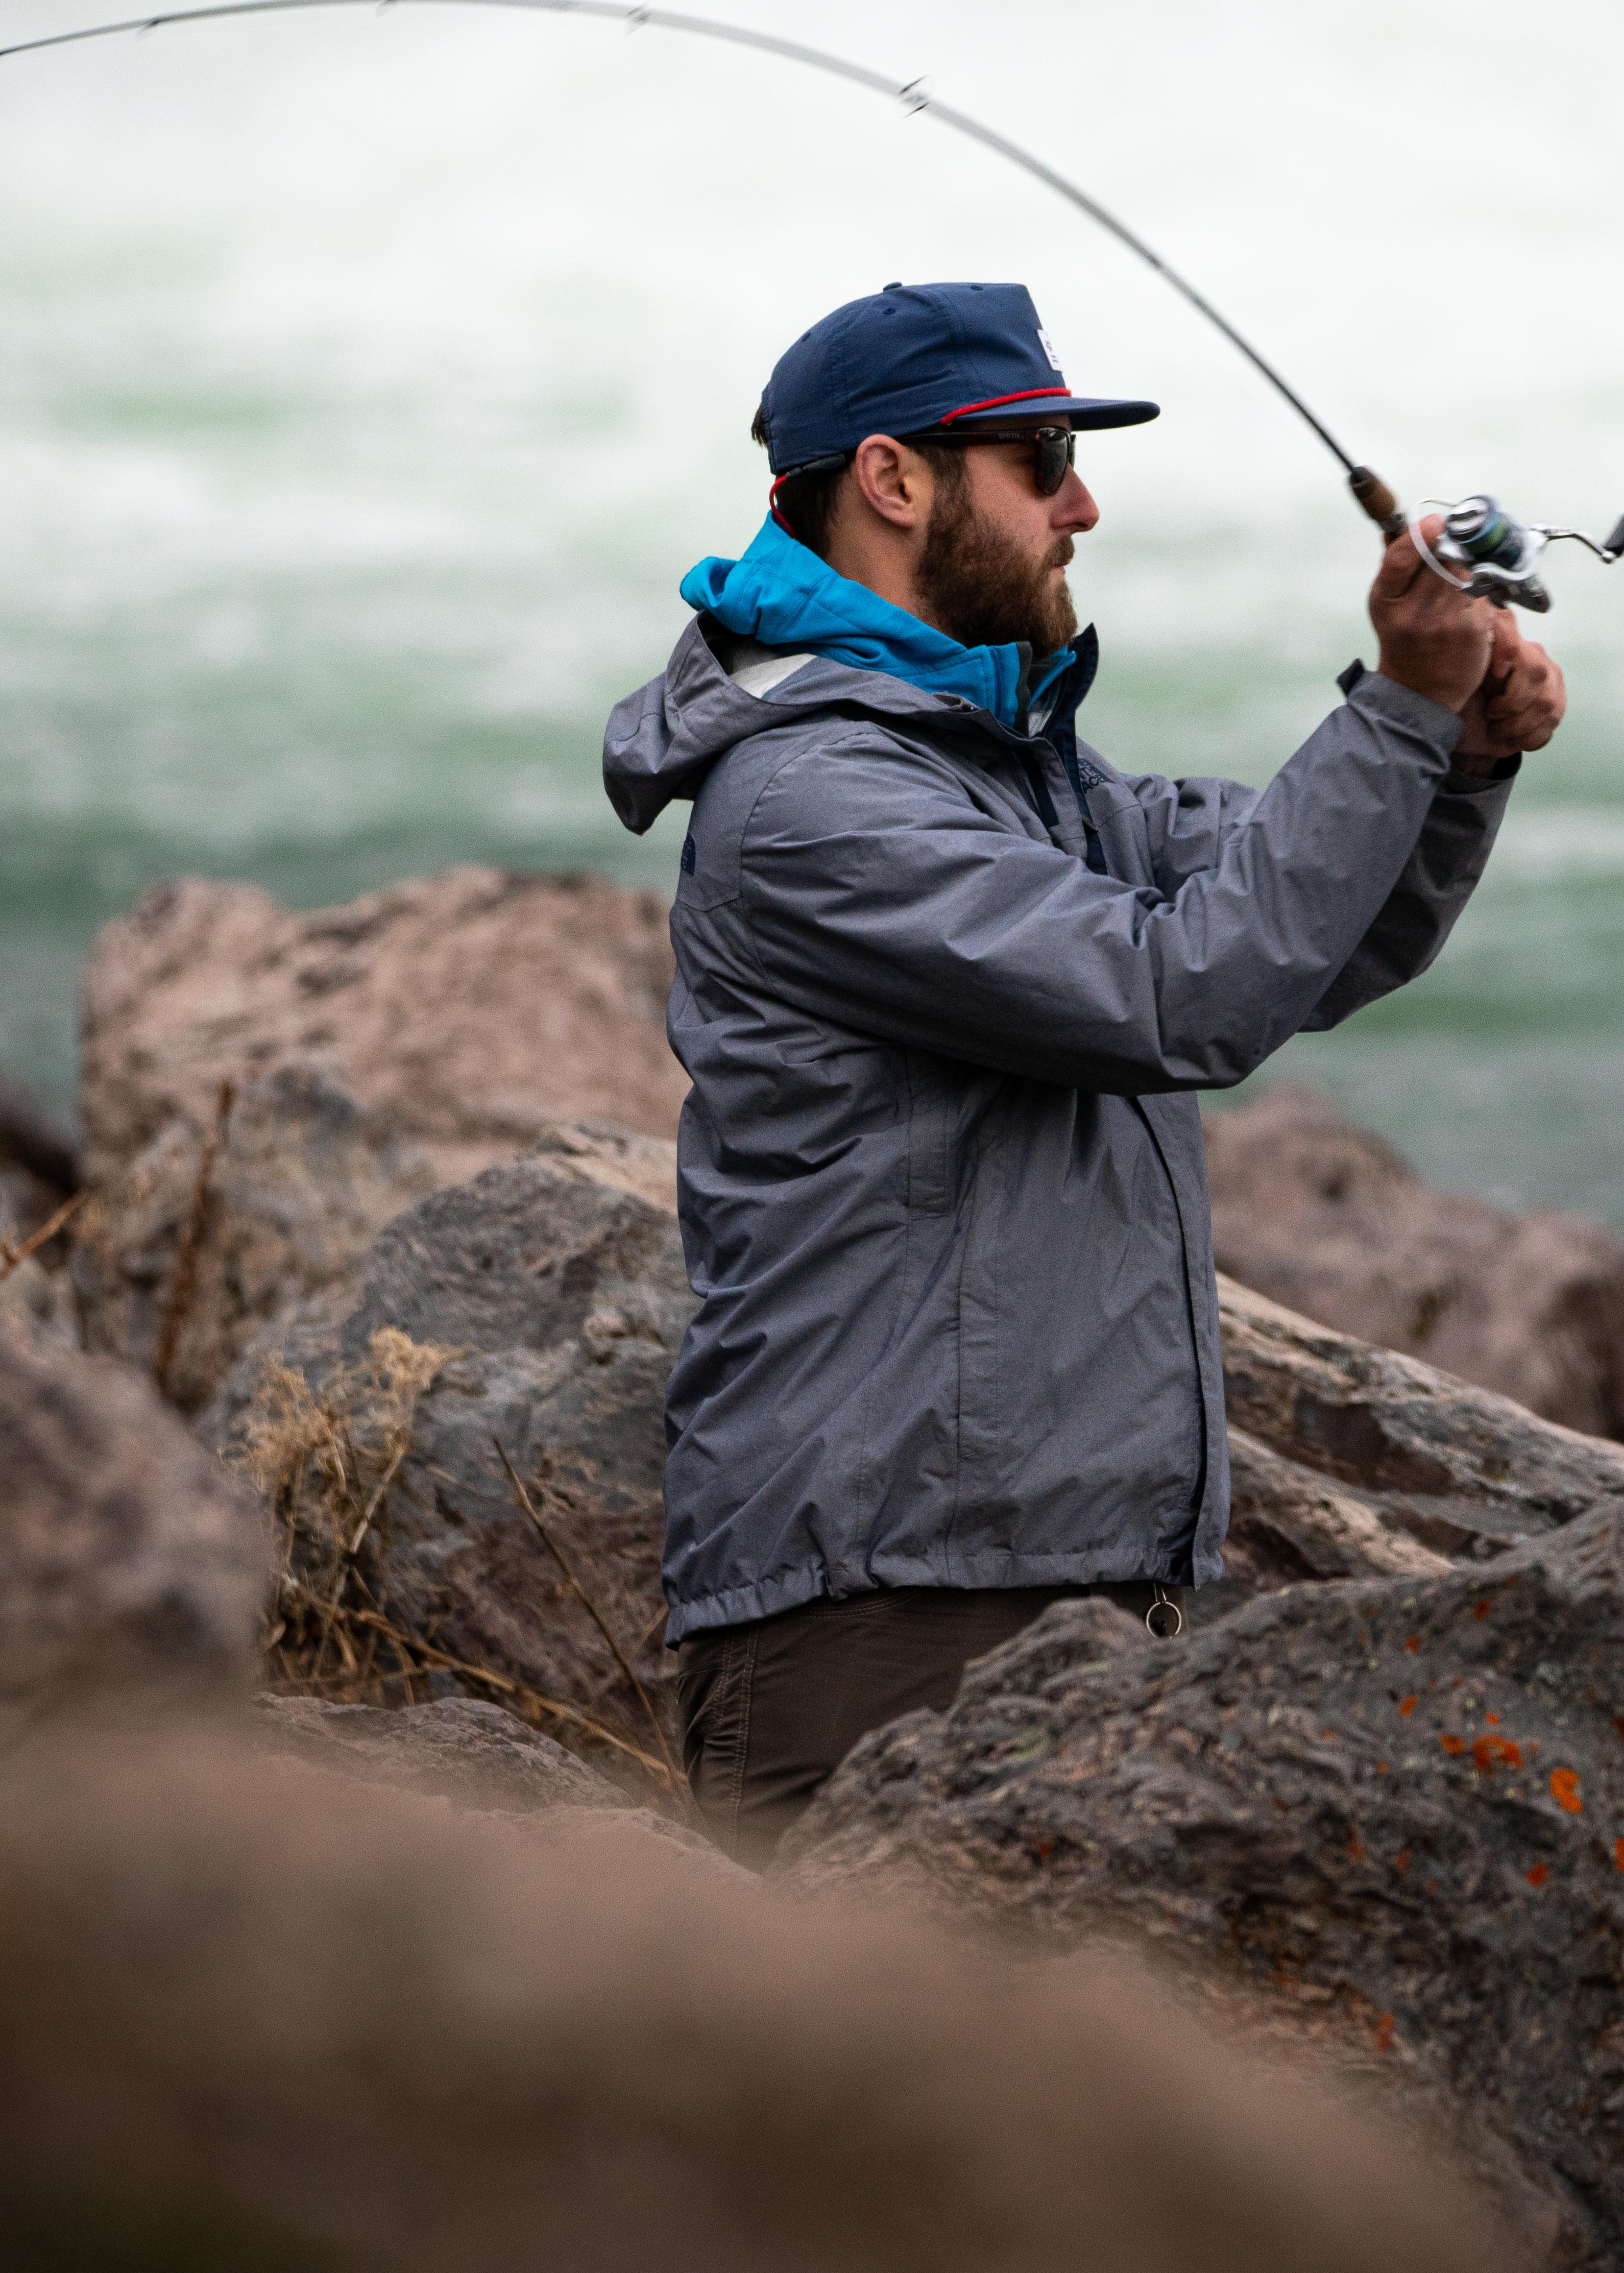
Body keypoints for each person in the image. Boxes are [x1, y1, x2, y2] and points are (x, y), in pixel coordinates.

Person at [601, 279, 1564, 1856]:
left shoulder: (1000, 766)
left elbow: (1307, 928)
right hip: (883, 1623)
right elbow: (1188, 996)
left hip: (1054, 1600)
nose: (1084, 504)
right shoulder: (816, 804)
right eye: (1042, 459)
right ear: (894, 481)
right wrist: (1400, 701)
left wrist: (1454, 756)